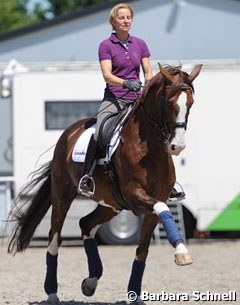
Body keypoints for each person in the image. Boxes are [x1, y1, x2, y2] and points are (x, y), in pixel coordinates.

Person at [78, 2, 185, 201]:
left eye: (128, 17)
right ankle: (87, 176)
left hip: (137, 99)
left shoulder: (140, 44)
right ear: (113, 21)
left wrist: (149, 87)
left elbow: (148, 72)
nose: (126, 21)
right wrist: (126, 83)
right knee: (100, 131)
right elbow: (107, 75)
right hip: (115, 98)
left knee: (160, 132)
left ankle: (169, 183)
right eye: (121, 17)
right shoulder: (106, 46)